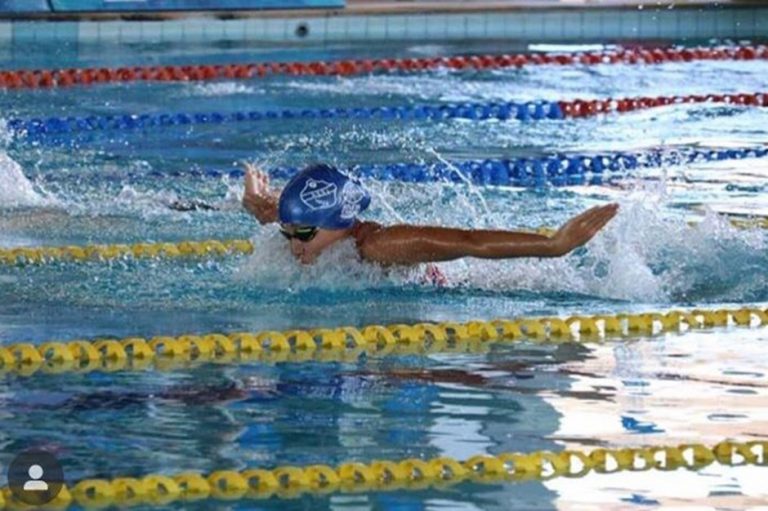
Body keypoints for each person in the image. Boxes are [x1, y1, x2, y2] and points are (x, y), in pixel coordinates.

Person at [242, 162, 619, 267]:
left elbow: (469, 242)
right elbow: (276, 213)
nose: (293, 245)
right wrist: (255, 200)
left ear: (340, 222)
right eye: (286, 233)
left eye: (303, 234)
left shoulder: (381, 246)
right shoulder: (309, 228)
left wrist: (554, 245)